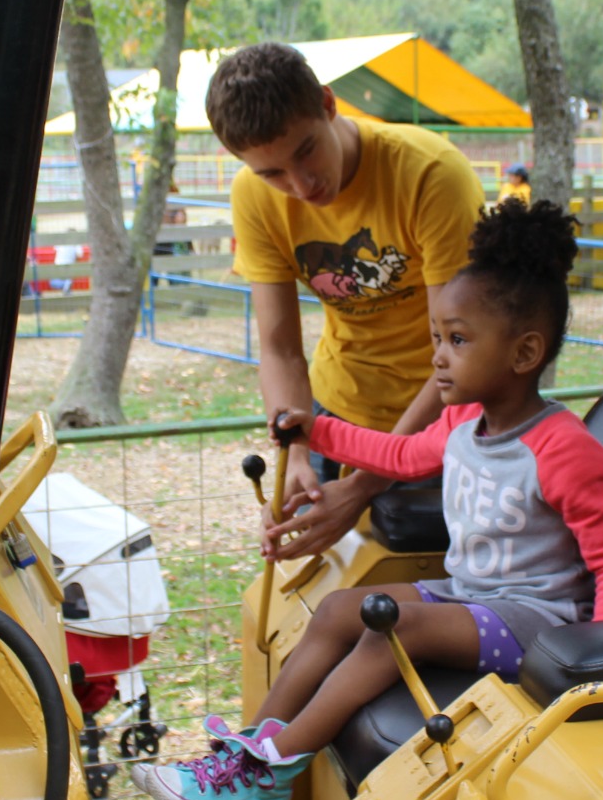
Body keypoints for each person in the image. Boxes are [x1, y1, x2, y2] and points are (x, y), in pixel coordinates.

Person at [131, 199, 603, 800]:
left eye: (457, 340)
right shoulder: (461, 423)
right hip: (475, 596)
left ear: (524, 352)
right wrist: (316, 430)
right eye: (436, 339)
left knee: (388, 628)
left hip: (537, 621)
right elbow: (397, 455)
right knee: (345, 607)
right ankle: (242, 755)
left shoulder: (562, 447)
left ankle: (271, 771)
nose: (438, 358)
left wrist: (601, 668)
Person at [207, 41, 485, 559]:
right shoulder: (252, 196)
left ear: (329, 105)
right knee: (319, 587)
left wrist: (363, 487)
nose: (300, 184)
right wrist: (295, 452)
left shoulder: (430, 175)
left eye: (305, 150)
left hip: (436, 422)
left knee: (401, 597)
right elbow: (280, 349)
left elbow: (462, 355)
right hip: (336, 413)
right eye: (272, 174)